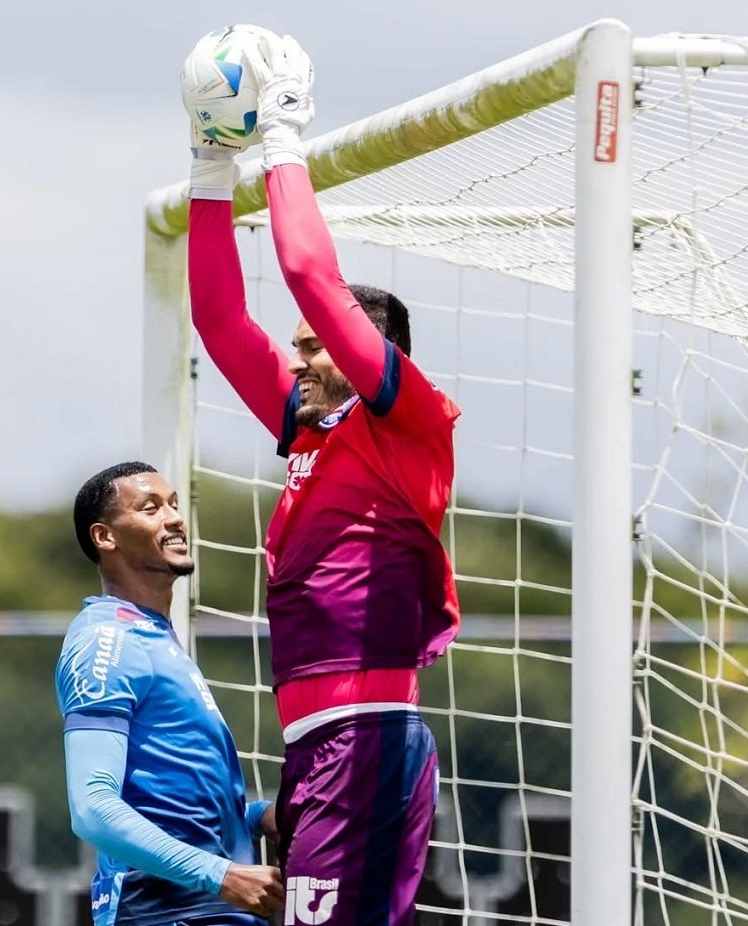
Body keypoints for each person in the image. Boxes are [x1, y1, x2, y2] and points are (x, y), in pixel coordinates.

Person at [186, 33, 462, 926]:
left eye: (312, 345)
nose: (296, 357)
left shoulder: (404, 419)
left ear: (363, 346)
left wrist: (283, 138)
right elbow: (219, 319)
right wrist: (205, 169)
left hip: (367, 731)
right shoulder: (309, 422)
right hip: (314, 742)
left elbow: (309, 273)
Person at [56, 461, 284, 926]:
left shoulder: (155, 638)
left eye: (175, 505)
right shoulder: (107, 640)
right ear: (106, 537)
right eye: (151, 508)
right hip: (164, 916)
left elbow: (176, 806)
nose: (175, 518)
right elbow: (93, 808)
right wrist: (221, 875)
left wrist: (260, 817)